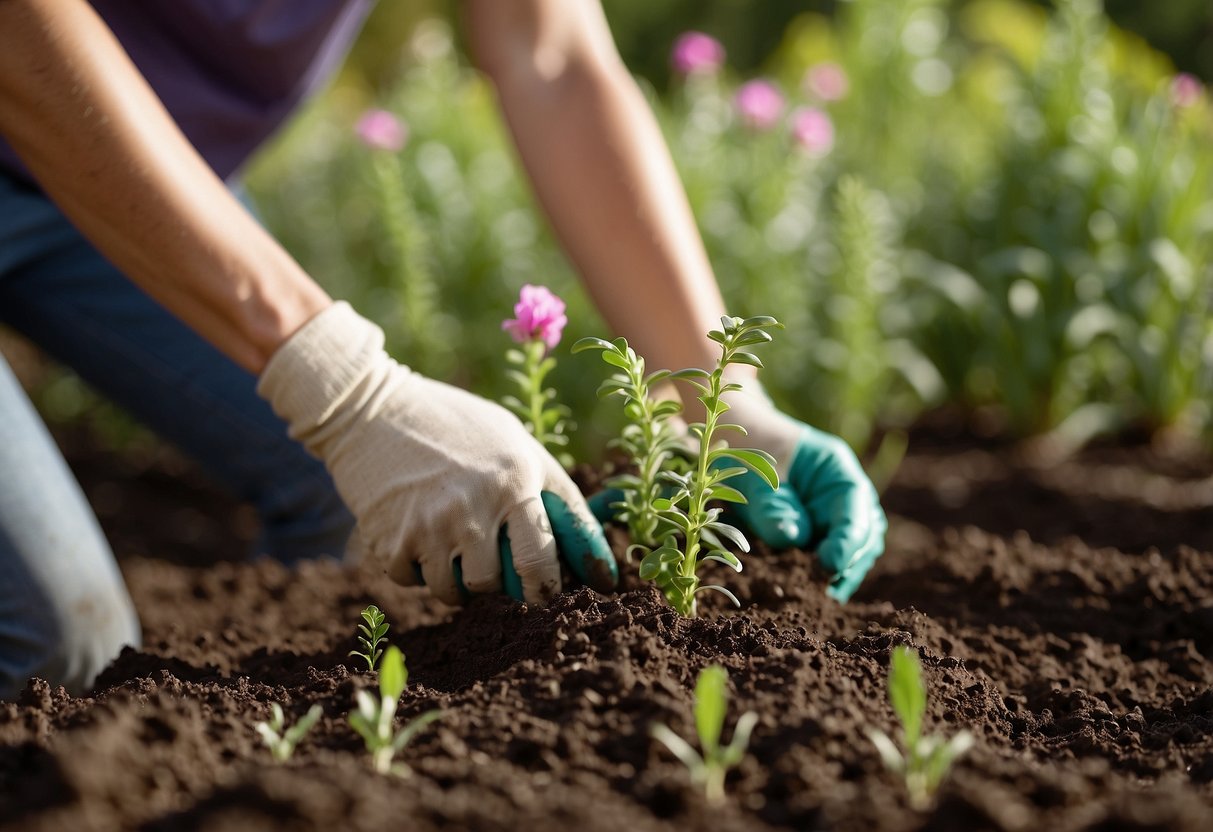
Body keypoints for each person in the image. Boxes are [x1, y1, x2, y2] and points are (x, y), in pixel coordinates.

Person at [0, 0, 885, 699]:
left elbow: (553, 55)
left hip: (119, 177)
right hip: (45, 101)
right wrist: (346, 392)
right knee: (53, 644)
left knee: (381, 509)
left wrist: (719, 399)